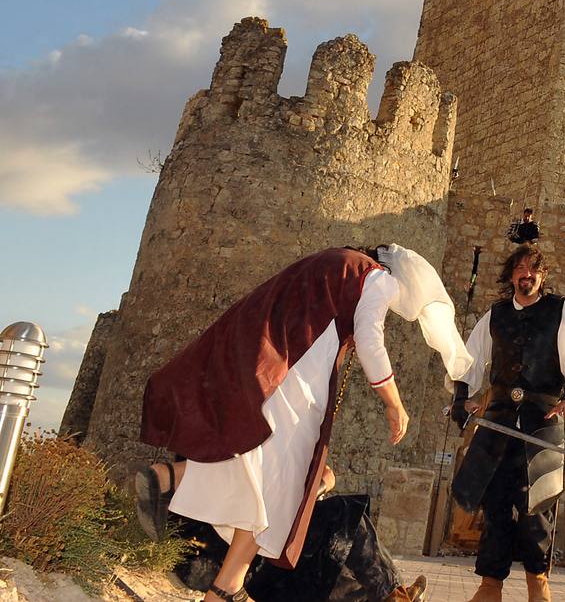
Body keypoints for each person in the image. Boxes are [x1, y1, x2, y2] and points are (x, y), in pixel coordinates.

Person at [139, 245, 472, 602]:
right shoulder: (376, 278)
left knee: (255, 468)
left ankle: (167, 478)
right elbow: (372, 341)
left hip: (267, 362)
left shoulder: (336, 264)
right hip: (293, 381)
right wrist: (395, 403)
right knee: (279, 488)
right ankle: (223, 590)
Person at [450, 243, 565, 602]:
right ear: (511, 274)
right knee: (495, 507)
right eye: (519, 268)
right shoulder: (495, 315)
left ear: (542, 275)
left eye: (533, 268)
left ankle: (537, 586)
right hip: (498, 423)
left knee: (537, 510)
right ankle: (490, 587)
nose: (526, 274)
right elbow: (469, 360)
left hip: (542, 422)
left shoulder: (561, 310)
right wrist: (461, 398)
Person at [168, 464, 427, 601]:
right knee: (346, 515)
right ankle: (393, 592)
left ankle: (393, 593)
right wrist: (322, 484)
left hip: (261, 570)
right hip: (260, 568)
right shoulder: (252, 454)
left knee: (346, 563)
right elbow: (278, 507)